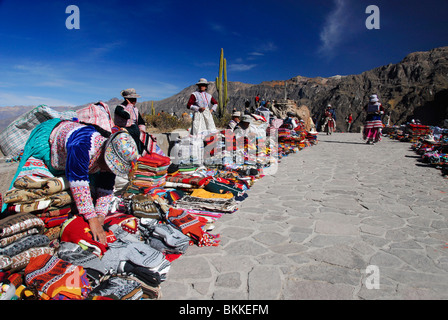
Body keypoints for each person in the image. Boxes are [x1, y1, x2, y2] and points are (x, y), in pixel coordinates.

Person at [5, 119, 139, 245]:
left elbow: (105, 187)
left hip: (76, 158)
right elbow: (78, 183)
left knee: (86, 196)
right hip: (49, 141)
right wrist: (92, 219)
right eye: (110, 166)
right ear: (105, 153)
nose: (110, 169)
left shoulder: (105, 160)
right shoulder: (82, 146)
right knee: (32, 190)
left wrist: (101, 216)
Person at [114, 88, 146, 154]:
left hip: (135, 130)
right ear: (127, 100)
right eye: (132, 99)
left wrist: (142, 131)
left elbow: (140, 121)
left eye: (135, 99)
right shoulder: (119, 108)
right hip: (123, 129)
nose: (135, 101)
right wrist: (129, 105)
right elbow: (126, 116)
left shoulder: (135, 109)